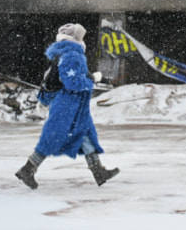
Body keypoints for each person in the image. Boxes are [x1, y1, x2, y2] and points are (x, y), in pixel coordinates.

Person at [15, 23, 119, 189]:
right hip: (68, 105)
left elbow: (73, 76)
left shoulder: (65, 54)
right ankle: (28, 169)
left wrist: (93, 77)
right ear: (75, 39)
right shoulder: (72, 55)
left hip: (73, 105)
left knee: (85, 135)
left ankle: (98, 171)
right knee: (53, 136)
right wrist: (91, 81)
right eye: (81, 37)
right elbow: (73, 83)